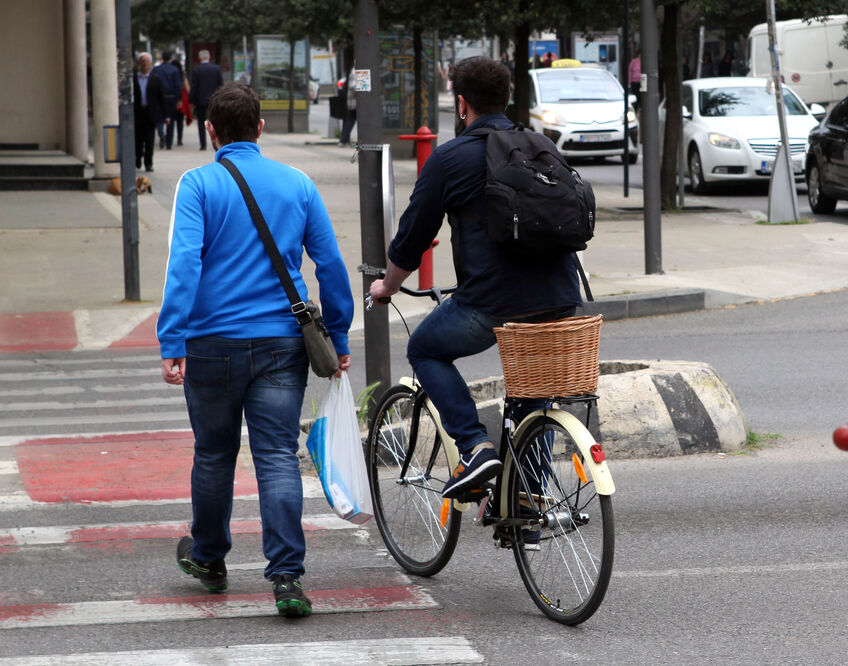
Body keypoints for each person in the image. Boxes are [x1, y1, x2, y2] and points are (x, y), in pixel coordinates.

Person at [158, 81, 353, 618]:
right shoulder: (298, 183)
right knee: (276, 456)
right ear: (260, 128)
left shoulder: (198, 184)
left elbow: (184, 264)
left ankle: (208, 558)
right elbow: (331, 265)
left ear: (210, 131)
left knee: (213, 454)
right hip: (282, 342)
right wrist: (337, 335)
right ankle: (287, 577)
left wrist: (173, 338)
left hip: (211, 342)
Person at [368, 56, 582, 500]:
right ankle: (527, 503)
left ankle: (474, 447)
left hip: (492, 301)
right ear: (507, 98)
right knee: (533, 393)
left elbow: (411, 240)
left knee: (424, 348)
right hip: (560, 295)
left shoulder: (450, 158)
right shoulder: (542, 145)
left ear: (461, 104)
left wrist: (387, 286)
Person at [132, 52, 166, 172]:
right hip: (137, 113)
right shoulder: (133, 78)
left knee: (149, 140)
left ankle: (148, 163)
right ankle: (137, 160)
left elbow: (161, 98)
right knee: (137, 139)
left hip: (150, 113)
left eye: (147, 60)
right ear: (139, 63)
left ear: (151, 63)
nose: (144, 63)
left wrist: (164, 115)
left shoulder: (156, 79)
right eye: (142, 60)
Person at [190, 49, 224, 151]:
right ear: (209, 57)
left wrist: (192, 101)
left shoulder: (196, 69)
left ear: (200, 58)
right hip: (214, 100)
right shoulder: (216, 69)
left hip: (200, 101)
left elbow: (194, 87)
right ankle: (217, 143)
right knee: (216, 122)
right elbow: (221, 85)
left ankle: (203, 144)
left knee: (201, 123)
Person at [153, 50, 183, 150]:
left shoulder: (156, 69)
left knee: (159, 118)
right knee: (171, 120)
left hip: (158, 97)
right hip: (171, 97)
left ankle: (161, 133)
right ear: (170, 58)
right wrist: (179, 99)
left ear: (162, 57)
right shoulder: (174, 70)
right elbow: (178, 85)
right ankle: (169, 143)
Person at [171, 57, 192, 146]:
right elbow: (188, 89)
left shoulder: (170, 74)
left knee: (170, 121)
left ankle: (168, 139)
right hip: (181, 100)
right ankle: (179, 138)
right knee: (180, 121)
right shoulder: (182, 75)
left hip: (171, 99)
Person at [338, 68, 356, 147]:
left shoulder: (352, 71)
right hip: (355, 102)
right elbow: (354, 87)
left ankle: (343, 140)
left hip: (352, 102)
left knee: (350, 121)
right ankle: (343, 140)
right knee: (351, 121)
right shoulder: (355, 72)